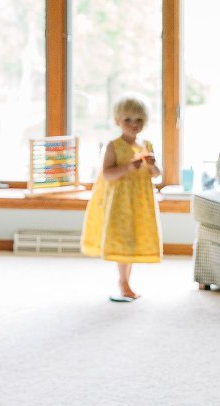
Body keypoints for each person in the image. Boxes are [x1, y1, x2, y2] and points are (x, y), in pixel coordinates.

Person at [80, 92, 162, 302]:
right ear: (117, 121)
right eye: (128, 120)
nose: (134, 124)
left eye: (139, 120)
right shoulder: (113, 146)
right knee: (123, 238)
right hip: (120, 201)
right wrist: (127, 167)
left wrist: (151, 165)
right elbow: (107, 174)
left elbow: (156, 175)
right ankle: (123, 281)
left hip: (140, 201)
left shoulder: (146, 145)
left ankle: (127, 281)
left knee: (133, 237)